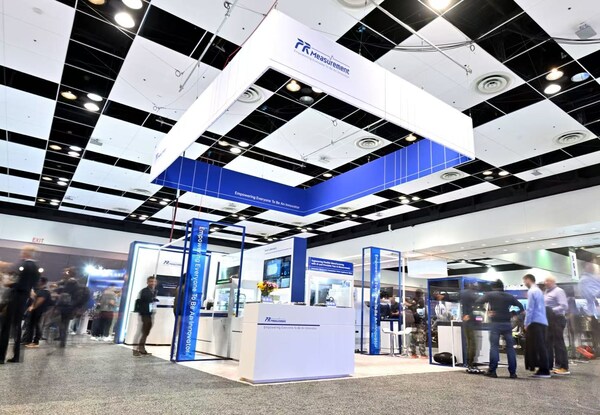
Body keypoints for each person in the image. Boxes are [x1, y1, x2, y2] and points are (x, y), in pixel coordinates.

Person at [475, 279, 524, 378]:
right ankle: (513, 373)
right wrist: (517, 315)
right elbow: (520, 306)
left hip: (495, 324)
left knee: (494, 347)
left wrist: (487, 311)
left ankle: (492, 371)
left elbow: (478, 302)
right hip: (507, 324)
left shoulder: (490, 294)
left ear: (493, 287)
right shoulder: (509, 296)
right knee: (510, 348)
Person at [0, 246, 41, 363]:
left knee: (6, 327)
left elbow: (16, 281)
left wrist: (8, 284)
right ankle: (16, 356)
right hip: (24, 298)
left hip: (15, 296)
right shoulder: (36, 268)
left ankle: (1, 356)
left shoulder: (23, 265)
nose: (21, 253)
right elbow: (33, 284)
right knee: (17, 327)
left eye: (23, 252)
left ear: (27, 253)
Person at [523, 274, 552, 378]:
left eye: (524, 281)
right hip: (542, 321)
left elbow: (530, 309)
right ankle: (543, 368)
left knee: (539, 346)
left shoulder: (532, 291)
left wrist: (526, 323)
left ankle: (544, 370)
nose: (524, 283)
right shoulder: (539, 291)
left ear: (528, 279)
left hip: (535, 322)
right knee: (541, 346)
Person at [544, 276, 570, 375]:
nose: (545, 282)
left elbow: (564, 306)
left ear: (552, 282)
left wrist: (550, 310)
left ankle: (563, 367)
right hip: (548, 320)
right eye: (545, 281)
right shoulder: (546, 292)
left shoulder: (558, 291)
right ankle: (549, 365)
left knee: (558, 343)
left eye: (547, 281)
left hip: (557, 319)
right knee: (548, 343)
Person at [23, 277, 52, 348]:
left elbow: (40, 300)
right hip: (35, 311)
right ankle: (28, 340)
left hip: (39, 311)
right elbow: (35, 298)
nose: (37, 282)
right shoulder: (39, 290)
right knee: (32, 325)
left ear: (42, 282)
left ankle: (35, 341)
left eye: (39, 281)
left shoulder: (45, 291)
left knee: (37, 325)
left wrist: (32, 307)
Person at [133, 276, 158, 357]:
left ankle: (141, 348)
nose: (153, 283)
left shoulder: (154, 291)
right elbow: (144, 301)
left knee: (146, 331)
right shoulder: (144, 291)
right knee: (143, 331)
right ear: (147, 282)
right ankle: (138, 349)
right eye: (151, 281)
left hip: (150, 314)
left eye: (154, 281)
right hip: (145, 314)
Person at [461, 282, 481, 373]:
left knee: (470, 344)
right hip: (470, 324)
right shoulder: (470, 295)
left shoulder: (465, 294)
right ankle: (470, 363)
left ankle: (469, 363)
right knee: (472, 344)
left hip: (468, 323)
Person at [55, 277, 79, 348]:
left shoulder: (65, 289)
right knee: (66, 325)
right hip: (70, 309)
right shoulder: (77, 291)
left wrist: (57, 307)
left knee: (62, 324)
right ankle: (63, 340)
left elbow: (60, 300)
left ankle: (61, 338)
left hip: (62, 309)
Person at [404, 289, 427, 358]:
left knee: (413, 338)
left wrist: (409, 304)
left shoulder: (413, 301)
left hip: (414, 321)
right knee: (421, 338)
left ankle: (413, 353)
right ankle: (422, 354)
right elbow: (420, 309)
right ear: (421, 294)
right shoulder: (421, 301)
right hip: (420, 321)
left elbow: (412, 307)